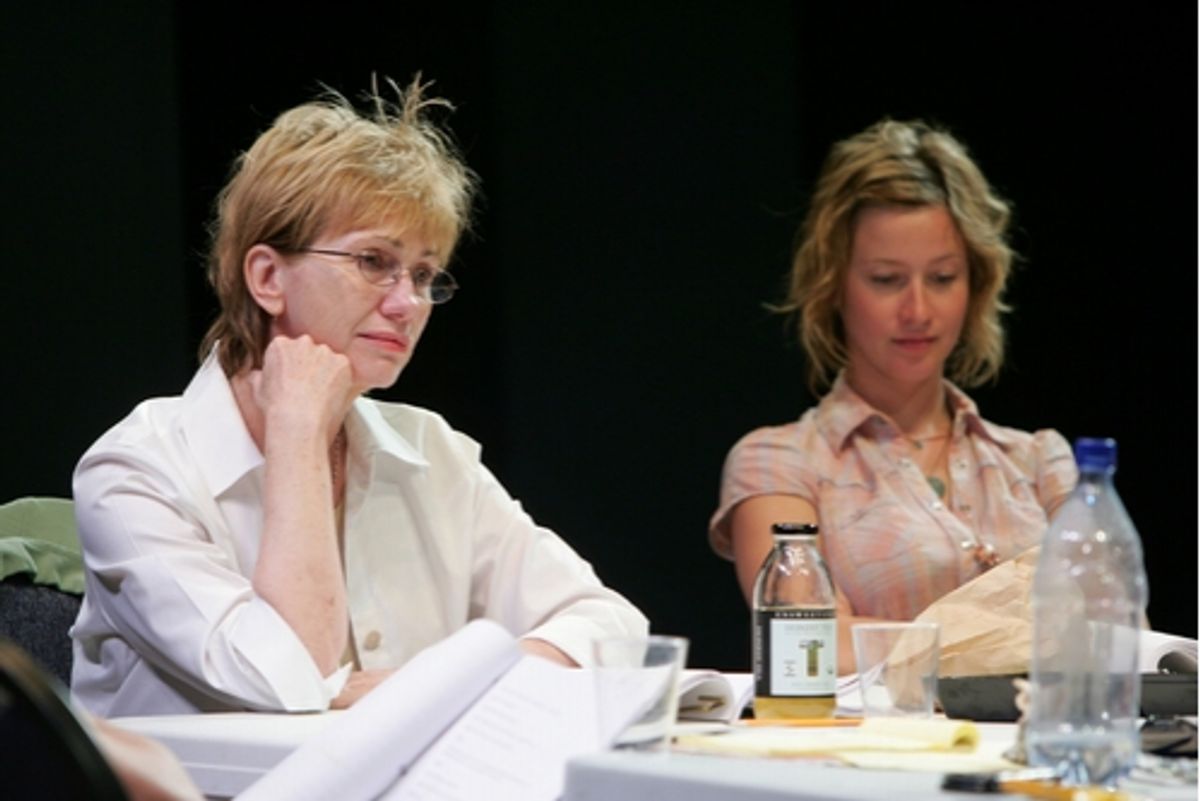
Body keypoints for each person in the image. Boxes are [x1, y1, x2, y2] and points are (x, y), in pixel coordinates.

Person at [70, 77, 647, 718]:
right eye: (374, 261)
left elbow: (607, 625)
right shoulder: (136, 471)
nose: (407, 305)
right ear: (267, 277)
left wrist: (437, 690)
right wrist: (296, 433)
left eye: (425, 275)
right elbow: (291, 681)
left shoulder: (432, 451)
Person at [709, 120, 1077, 673]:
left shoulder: (1039, 461)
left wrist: (897, 643)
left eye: (942, 277)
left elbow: (1115, 636)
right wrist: (1019, 643)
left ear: (975, 285)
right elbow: (809, 648)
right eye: (886, 279)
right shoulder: (778, 463)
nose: (918, 311)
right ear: (833, 285)